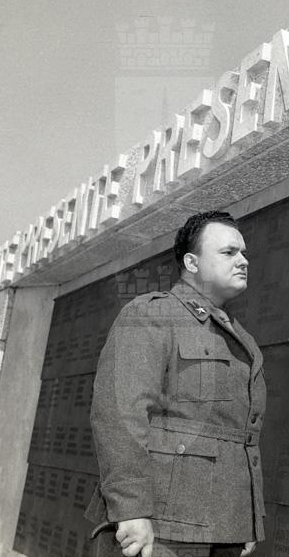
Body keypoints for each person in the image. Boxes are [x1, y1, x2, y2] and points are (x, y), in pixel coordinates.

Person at [85, 211, 266, 557]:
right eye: (229, 252)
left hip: (223, 528)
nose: (243, 261)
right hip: (161, 528)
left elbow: (240, 438)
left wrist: (246, 518)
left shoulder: (241, 338)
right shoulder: (152, 314)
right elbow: (119, 414)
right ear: (192, 262)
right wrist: (131, 509)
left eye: (244, 253)